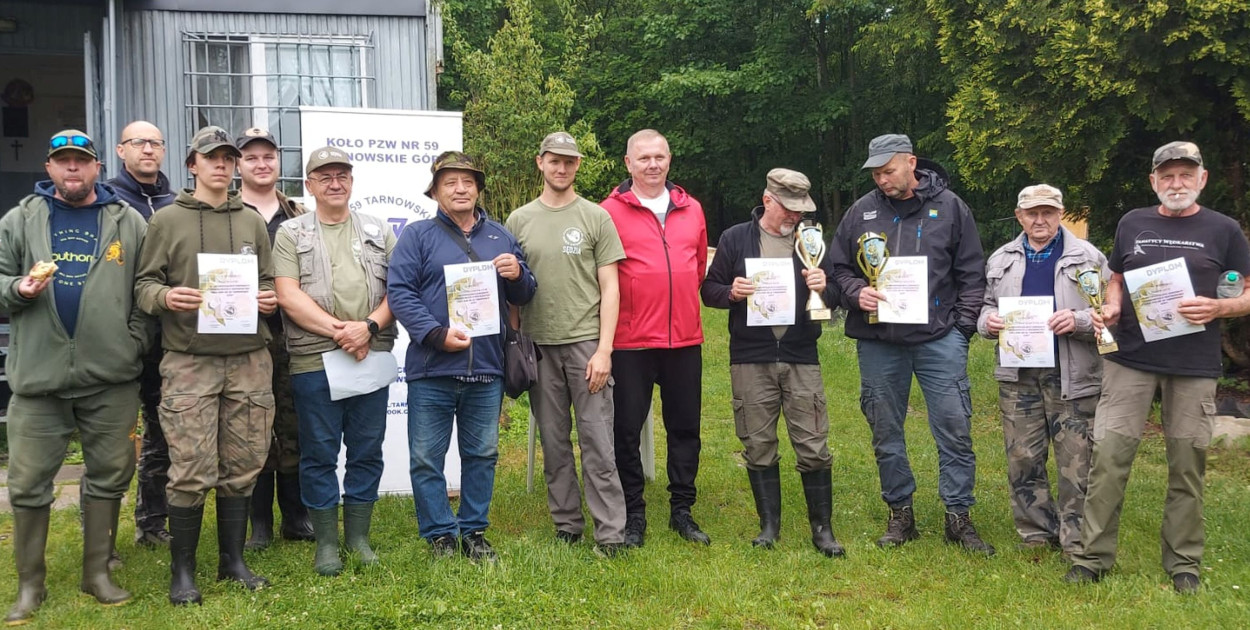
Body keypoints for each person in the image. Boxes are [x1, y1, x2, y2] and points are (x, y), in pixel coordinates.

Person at [1065, 142, 1250, 593]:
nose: (1177, 183)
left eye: (1186, 175)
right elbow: (1117, 279)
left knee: (1187, 464)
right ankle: (1092, 557)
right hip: (1130, 360)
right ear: (1154, 181)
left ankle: (1184, 562)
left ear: (1202, 179)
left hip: (1194, 366)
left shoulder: (1224, 230)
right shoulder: (1134, 223)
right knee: (1109, 457)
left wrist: (1218, 309)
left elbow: (1246, 293)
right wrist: (1109, 308)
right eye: (1167, 176)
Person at [1, 130, 151, 624]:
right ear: (49, 168)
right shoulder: (20, 220)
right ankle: (30, 585)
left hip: (110, 376)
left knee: (110, 476)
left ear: (97, 167)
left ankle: (98, 573)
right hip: (39, 377)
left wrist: (134, 342)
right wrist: (17, 289)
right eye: (63, 162)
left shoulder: (127, 221)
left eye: (81, 162)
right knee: (27, 483)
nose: (72, 170)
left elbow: (147, 289)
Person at [829, 133, 993, 554]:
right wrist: (855, 293)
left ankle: (958, 515)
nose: (882, 180)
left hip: (939, 339)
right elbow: (838, 269)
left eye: (889, 171)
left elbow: (972, 274)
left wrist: (962, 329)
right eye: (876, 174)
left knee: (954, 427)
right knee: (885, 430)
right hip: (879, 341)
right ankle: (900, 513)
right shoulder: (861, 213)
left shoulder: (951, 208)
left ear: (911, 163)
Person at [135, 125, 279, 605]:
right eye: (210, 157)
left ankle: (233, 561)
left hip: (248, 360)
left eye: (227, 157)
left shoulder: (253, 222)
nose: (221, 164)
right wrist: (165, 295)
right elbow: (143, 286)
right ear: (192, 164)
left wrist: (267, 299)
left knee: (243, 464)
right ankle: (183, 571)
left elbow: (269, 283)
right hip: (190, 360)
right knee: (191, 468)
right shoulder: (166, 220)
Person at [388, 151, 536, 562]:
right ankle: (440, 534)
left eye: (468, 181)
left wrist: (518, 274)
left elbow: (525, 295)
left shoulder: (501, 237)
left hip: (486, 368)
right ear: (435, 190)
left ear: (478, 188)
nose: (460, 188)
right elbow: (400, 293)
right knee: (425, 457)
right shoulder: (417, 236)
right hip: (432, 367)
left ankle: (473, 531)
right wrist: (435, 334)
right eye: (450, 182)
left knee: (482, 453)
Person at [701, 168, 845, 557]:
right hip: (750, 357)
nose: (795, 217)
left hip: (801, 356)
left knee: (813, 442)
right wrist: (731, 291)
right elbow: (708, 291)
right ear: (768, 201)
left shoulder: (810, 240)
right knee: (757, 442)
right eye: (788, 209)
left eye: (801, 210)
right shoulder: (735, 238)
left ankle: (822, 530)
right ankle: (769, 527)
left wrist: (824, 288)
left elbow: (834, 291)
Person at [273, 146, 397, 575]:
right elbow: (287, 294)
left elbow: (398, 291)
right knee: (319, 452)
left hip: (371, 354)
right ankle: (326, 542)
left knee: (367, 449)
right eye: (324, 175)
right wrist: (342, 332)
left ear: (351, 180)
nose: (334, 181)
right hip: (315, 360)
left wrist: (369, 328)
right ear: (309, 184)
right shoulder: (291, 233)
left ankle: (358, 538)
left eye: (342, 174)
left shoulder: (379, 230)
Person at [505, 132, 627, 557]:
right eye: (554, 161)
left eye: (569, 162)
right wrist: (515, 343)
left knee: (597, 440)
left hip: (585, 344)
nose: (562, 168)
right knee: (554, 442)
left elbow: (610, 288)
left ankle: (610, 531)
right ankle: (567, 523)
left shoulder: (596, 218)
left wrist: (604, 350)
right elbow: (513, 290)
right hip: (538, 345)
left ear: (577, 166)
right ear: (539, 162)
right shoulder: (518, 220)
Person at [978, 184, 1105, 555]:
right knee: (1022, 456)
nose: (1040, 219)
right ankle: (1035, 531)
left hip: (1073, 373)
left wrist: (1080, 320)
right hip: (1019, 374)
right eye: (1032, 213)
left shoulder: (1087, 257)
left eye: (1047, 212)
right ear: (1019, 216)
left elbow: (1111, 312)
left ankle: (1076, 539)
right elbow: (984, 306)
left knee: (1076, 459)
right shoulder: (1002, 258)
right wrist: (988, 322)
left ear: (1060, 213)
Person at [601, 129, 710, 548]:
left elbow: (697, 266)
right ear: (628, 163)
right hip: (631, 341)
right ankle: (633, 512)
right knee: (625, 429)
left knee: (685, 427)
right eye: (643, 158)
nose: (652, 164)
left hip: (684, 338)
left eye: (659, 157)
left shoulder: (692, 209)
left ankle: (682, 509)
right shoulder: (608, 211)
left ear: (669, 160)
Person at [235, 127, 315, 549]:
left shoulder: (300, 215)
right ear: (239, 164)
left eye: (268, 156)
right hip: (244, 341)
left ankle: (296, 515)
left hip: (295, 337)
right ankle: (259, 522)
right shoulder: (227, 214)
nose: (261, 163)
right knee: (253, 428)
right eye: (252, 157)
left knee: (294, 424)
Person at [108, 120, 176, 549]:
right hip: (115, 335)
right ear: (121, 150)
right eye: (139, 143)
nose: (147, 150)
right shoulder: (108, 201)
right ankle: (102, 534)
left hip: (164, 336)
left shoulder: (175, 203)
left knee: (160, 432)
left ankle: (151, 524)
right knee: (111, 441)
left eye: (155, 143)